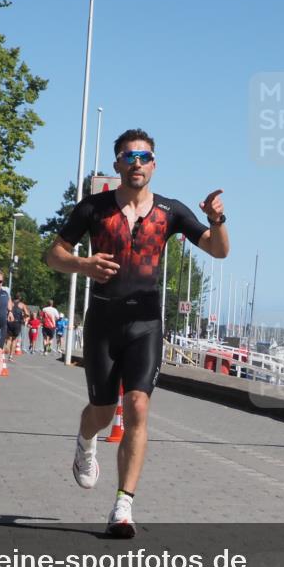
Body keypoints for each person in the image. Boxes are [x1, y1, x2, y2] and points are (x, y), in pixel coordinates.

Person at [46, 128, 229, 538]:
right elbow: (52, 254)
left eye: (144, 157)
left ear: (154, 164)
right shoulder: (93, 208)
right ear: (117, 165)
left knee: (139, 408)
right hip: (103, 321)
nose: (137, 163)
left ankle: (123, 505)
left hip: (146, 322)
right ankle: (84, 440)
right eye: (129, 157)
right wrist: (85, 266)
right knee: (102, 410)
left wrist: (217, 220)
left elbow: (218, 250)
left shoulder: (170, 211)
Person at [5, 293, 29, 359]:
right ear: (20, 298)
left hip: (9, 322)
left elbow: (6, 311)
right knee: (14, 339)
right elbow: (27, 314)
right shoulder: (22, 305)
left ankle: (6, 350)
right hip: (17, 322)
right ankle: (11, 356)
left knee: (9, 338)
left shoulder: (10, 303)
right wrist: (23, 317)